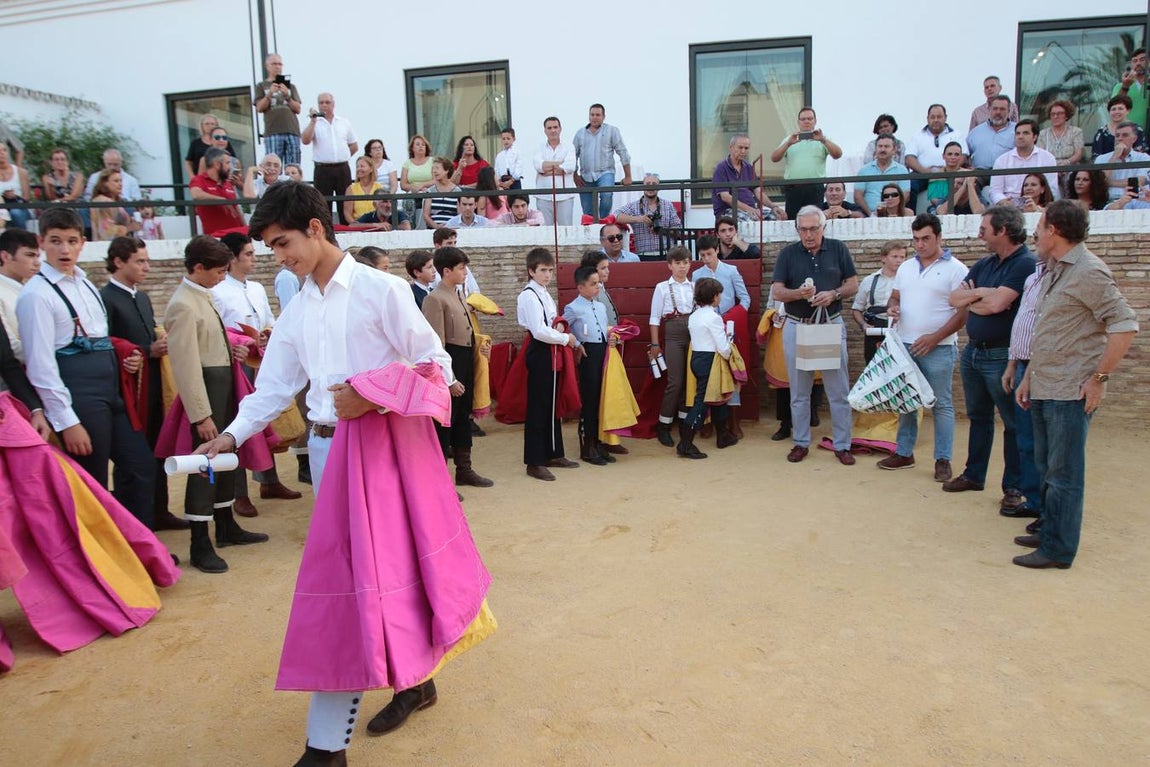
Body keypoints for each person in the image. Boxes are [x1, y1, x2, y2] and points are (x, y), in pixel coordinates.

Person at [193, 181, 490, 764]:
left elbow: (434, 365)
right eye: (272, 249)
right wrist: (228, 436)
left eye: (283, 245)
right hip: (329, 454)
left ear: (316, 228)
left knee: (355, 585)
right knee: (365, 580)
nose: (280, 258)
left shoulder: (382, 291)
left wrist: (371, 397)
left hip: (382, 455)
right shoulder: (299, 307)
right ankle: (415, 681)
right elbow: (275, 387)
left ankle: (327, 748)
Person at [1012, 200, 1138, 569]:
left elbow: (1125, 324)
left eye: (1039, 225)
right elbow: (1050, 331)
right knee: (1048, 467)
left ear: (1054, 231)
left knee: (1064, 474)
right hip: (1046, 385)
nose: (1034, 233)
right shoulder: (1054, 270)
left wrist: (1099, 378)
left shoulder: (1088, 271)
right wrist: (1030, 377)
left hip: (1071, 392)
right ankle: (1049, 530)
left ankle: (1058, 550)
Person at [15, 207, 156, 529]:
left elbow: (102, 339)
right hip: (79, 393)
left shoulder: (87, 284)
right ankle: (98, 562)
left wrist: (126, 357)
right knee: (89, 479)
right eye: (55, 241)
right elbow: (40, 365)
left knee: (140, 465)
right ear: (41, 243)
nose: (64, 249)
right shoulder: (35, 295)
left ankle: (138, 548)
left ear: (83, 243)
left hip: (110, 388)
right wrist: (67, 421)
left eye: (71, 241)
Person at [165, 236, 269, 572]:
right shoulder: (183, 304)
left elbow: (209, 346)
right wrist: (201, 415)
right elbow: (185, 365)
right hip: (207, 395)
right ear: (198, 267)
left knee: (226, 459)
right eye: (219, 271)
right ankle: (199, 541)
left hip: (221, 387)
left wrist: (233, 351)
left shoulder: (201, 296)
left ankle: (225, 525)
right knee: (202, 464)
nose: (223, 277)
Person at [944, 206, 1035, 514]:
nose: (979, 233)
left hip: (1002, 354)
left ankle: (1014, 487)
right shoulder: (985, 263)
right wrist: (982, 296)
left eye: (984, 228)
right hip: (974, 351)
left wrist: (978, 297)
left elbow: (997, 305)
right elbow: (954, 299)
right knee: (979, 417)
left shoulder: (1025, 263)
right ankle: (974, 474)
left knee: (1012, 422)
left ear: (1003, 231)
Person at [100, 237, 188, 532]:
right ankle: (135, 524)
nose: (146, 267)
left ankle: (158, 511)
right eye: (139, 261)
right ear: (118, 262)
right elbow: (107, 343)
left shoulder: (142, 297)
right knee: (133, 459)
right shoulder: (106, 298)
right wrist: (146, 349)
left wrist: (156, 345)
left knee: (156, 449)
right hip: (125, 389)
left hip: (151, 384)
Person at [214, 231, 301, 512]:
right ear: (232, 258)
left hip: (259, 357)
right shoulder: (217, 291)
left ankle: (268, 479)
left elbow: (270, 319)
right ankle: (238, 492)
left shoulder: (256, 288)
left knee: (265, 420)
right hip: (234, 362)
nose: (254, 259)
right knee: (238, 421)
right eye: (249, 254)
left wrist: (266, 334)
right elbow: (217, 332)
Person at [877, 214, 969, 480]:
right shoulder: (905, 267)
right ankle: (904, 452)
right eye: (916, 239)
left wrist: (934, 337)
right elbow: (895, 297)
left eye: (926, 238)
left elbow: (963, 315)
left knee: (941, 404)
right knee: (907, 400)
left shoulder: (956, 269)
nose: (920, 245)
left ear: (939, 237)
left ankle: (943, 458)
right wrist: (892, 307)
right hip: (905, 343)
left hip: (939, 347)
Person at [771, 205, 858, 465]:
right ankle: (800, 442)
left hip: (829, 323)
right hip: (797, 325)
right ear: (797, 229)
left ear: (824, 228)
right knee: (799, 391)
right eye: (803, 229)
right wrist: (800, 294)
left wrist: (834, 294)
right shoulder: (788, 254)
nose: (808, 234)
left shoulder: (838, 249)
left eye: (813, 229)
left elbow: (853, 284)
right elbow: (777, 292)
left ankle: (842, 444)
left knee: (838, 389)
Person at [421, 246, 493, 488]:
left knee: (463, 417)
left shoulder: (459, 294)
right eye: (462, 268)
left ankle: (465, 470)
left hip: (464, 361)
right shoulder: (434, 298)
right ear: (447, 270)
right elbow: (436, 345)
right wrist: (448, 379)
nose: (466, 272)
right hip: (449, 363)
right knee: (444, 421)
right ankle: (440, 481)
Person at [999, 237, 1049, 525]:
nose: (1033, 239)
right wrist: (1013, 363)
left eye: (1039, 233)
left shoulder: (1059, 275)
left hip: (1043, 369)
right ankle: (1034, 501)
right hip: (1023, 364)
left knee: (1041, 443)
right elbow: (1023, 325)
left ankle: (1044, 507)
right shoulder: (1034, 275)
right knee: (1027, 440)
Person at [518, 247, 578, 480]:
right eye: (543, 270)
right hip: (541, 349)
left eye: (550, 270)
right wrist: (566, 338)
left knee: (551, 404)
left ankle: (553, 452)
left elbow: (552, 320)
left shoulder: (543, 292)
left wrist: (561, 327)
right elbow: (539, 330)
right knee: (539, 405)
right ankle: (534, 461)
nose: (547, 275)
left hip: (551, 350)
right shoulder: (529, 295)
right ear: (531, 271)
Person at [692, 234, 752, 436]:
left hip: (730, 328)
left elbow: (744, 299)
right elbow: (696, 304)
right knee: (708, 378)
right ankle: (709, 422)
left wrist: (730, 317)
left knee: (730, 372)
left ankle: (734, 422)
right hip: (708, 332)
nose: (706, 259)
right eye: (702, 255)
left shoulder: (731, 271)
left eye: (709, 254)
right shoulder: (697, 274)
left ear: (717, 249)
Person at [562, 265, 616, 466]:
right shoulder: (572, 308)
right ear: (580, 287)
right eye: (593, 284)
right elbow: (562, 328)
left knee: (601, 397)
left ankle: (599, 442)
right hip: (587, 354)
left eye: (599, 283)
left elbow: (603, 329)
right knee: (590, 399)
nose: (598, 287)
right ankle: (587, 445)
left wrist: (612, 338)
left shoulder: (600, 306)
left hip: (602, 351)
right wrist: (576, 344)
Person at [678, 277, 736, 459]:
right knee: (702, 402)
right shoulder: (714, 318)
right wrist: (730, 348)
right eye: (719, 294)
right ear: (714, 297)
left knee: (716, 397)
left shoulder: (694, 316)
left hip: (696, 358)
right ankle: (685, 444)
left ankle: (723, 436)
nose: (720, 297)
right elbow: (723, 348)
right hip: (710, 360)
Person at [648, 246, 695, 447]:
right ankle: (663, 424)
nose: (682, 267)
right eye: (677, 263)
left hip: (693, 334)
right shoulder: (662, 287)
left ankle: (684, 422)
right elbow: (654, 318)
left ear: (690, 264)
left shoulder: (694, 286)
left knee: (688, 381)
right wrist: (656, 343)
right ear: (670, 266)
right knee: (675, 381)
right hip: (673, 334)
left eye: (685, 262)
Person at [770, 106, 843, 219]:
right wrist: (788, 143)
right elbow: (774, 158)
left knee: (815, 221)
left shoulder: (823, 139)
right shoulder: (790, 139)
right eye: (803, 119)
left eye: (810, 118)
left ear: (815, 121)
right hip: (793, 188)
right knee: (794, 222)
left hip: (815, 187)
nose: (806, 121)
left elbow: (838, 154)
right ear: (798, 122)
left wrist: (823, 140)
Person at [301, 92, 358, 224]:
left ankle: (347, 230)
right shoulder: (314, 123)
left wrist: (341, 156)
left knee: (345, 203)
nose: (324, 105)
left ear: (333, 104)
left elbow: (354, 145)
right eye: (321, 103)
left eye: (327, 102)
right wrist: (313, 121)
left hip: (342, 168)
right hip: (323, 169)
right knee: (323, 204)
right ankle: (326, 234)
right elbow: (305, 140)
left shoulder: (343, 122)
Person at [850, 240, 907, 363]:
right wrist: (863, 325)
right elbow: (857, 309)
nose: (899, 260)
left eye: (902, 257)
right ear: (884, 258)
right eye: (895, 256)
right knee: (873, 369)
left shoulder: (909, 281)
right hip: (874, 330)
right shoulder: (869, 281)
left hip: (900, 330)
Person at [573, 104, 631, 220]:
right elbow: (573, 155)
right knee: (588, 213)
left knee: (606, 195)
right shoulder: (580, 134)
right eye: (592, 114)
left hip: (605, 172)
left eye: (598, 115)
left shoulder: (612, 131)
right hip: (585, 175)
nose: (595, 117)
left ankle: (604, 221)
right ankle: (592, 231)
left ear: (603, 117)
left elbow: (623, 152)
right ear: (589, 116)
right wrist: (575, 175)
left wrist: (628, 176)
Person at [712, 134, 786, 222]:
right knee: (754, 220)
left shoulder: (749, 167)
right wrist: (749, 209)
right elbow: (725, 197)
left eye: (746, 148)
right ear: (731, 147)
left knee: (779, 217)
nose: (743, 151)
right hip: (728, 211)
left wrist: (773, 206)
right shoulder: (721, 167)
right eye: (740, 147)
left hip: (750, 210)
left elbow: (758, 192)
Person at [988, 120, 1058, 207]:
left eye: (1025, 133)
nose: (1020, 136)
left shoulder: (1048, 158)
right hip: (1008, 209)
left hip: (1038, 207)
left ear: (1035, 137)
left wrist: (1036, 206)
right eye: (1017, 133)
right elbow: (995, 191)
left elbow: (1052, 189)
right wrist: (1004, 202)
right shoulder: (1002, 160)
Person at [612, 172, 682, 257]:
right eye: (648, 184)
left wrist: (662, 231)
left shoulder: (668, 205)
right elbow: (615, 216)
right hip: (644, 255)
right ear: (643, 186)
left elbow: (678, 229)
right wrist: (639, 219)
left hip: (667, 254)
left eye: (654, 184)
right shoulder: (634, 206)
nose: (650, 187)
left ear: (659, 187)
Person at [905, 104, 964, 203]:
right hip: (922, 174)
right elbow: (909, 158)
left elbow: (964, 156)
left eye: (939, 117)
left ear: (945, 117)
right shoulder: (917, 136)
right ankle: (912, 217)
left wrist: (946, 171)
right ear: (927, 118)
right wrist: (925, 172)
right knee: (911, 186)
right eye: (932, 117)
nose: (936, 120)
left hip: (951, 173)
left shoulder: (956, 134)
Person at [254, 53, 303, 165]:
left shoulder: (291, 86)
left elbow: (298, 109)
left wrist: (287, 95)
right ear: (267, 66)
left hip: (292, 130)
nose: (277, 66)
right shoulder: (261, 86)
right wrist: (270, 93)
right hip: (273, 132)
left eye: (280, 64)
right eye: (274, 64)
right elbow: (259, 108)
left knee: (293, 166)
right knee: (273, 166)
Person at [0, 228, 39, 361]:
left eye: (37, 256)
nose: (36, 262)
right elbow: (9, 347)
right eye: (29, 255)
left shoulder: (35, 289)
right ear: (6, 256)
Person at [190, 148, 245, 236]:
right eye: (227, 163)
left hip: (238, 235)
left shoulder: (227, 182)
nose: (230, 167)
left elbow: (236, 209)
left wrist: (245, 227)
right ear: (216, 164)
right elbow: (196, 194)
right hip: (217, 238)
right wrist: (222, 200)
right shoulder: (199, 180)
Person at [533, 117, 577, 226]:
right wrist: (560, 164)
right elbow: (539, 166)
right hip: (544, 195)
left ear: (560, 129)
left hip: (564, 196)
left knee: (566, 231)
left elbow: (570, 166)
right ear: (545, 131)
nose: (553, 130)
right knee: (545, 232)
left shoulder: (569, 146)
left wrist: (547, 168)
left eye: (555, 127)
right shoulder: (538, 146)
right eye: (549, 128)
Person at [854, 134, 910, 216]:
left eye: (886, 146)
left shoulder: (902, 170)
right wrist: (871, 214)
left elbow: (906, 195)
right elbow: (857, 196)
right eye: (880, 146)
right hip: (868, 214)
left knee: (910, 213)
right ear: (875, 149)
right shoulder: (864, 170)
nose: (882, 149)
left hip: (895, 214)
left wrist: (893, 211)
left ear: (894, 150)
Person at [1095, 121, 1150, 201]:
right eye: (1117, 136)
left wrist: (1109, 183)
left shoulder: (1143, 158)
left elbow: (1138, 181)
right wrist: (1114, 157)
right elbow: (1100, 181)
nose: (1120, 138)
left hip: (1134, 200)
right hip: (1108, 201)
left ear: (1134, 139)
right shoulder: (1101, 158)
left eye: (1125, 135)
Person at [928, 141, 984, 216]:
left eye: (956, 154)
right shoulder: (936, 175)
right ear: (943, 156)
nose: (953, 157)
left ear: (961, 157)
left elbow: (975, 194)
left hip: (966, 204)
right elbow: (934, 199)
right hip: (942, 206)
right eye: (950, 154)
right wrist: (954, 200)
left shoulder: (969, 173)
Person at [89, 168, 142, 242]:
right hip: (107, 245)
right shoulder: (102, 202)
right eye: (116, 181)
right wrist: (129, 228)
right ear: (105, 183)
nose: (120, 184)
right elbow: (105, 231)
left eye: (121, 181)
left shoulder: (116, 201)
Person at [966, 96, 1017, 171]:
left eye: (1002, 109)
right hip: (980, 176)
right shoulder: (975, 132)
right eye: (995, 108)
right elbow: (965, 156)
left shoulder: (1017, 131)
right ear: (989, 110)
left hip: (1007, 175)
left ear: (1009, 111)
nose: (998, 112)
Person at [1090, 94, 1148, 158]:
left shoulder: (1137, 130)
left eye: (1120, 109)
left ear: (1128, 110)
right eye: (1113, 109)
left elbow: (1141, 153)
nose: (1116, 112)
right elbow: (1095, 157)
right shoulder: (1101, 133)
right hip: (1107, 166)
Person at [185, 115, 236, 180]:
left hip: (223, 178)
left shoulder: (223, 141)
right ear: (202, 126)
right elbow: (188, 161)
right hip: (202, 178)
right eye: (207, 124)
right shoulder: (196, 143)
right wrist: (192, 177)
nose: (210, 126)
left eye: (212, 124)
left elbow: (233, 160)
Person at [400, 134, 436, 227]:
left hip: (429, 192)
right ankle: (410, 227)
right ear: (412, 148)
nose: (421, 146)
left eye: (423, 144)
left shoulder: (432, 161)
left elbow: (436, 180)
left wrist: (423, 186)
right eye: (418, 144)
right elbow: (403, 184)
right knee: (408, 202)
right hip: (413, 194)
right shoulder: (407, 163)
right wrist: (412, 187)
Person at [1037, 100, 1084, 166]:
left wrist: (1066, 163)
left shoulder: (1076, 131)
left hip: (1070, 168)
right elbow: (1041, 155)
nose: (1055, 116)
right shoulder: (1043, 134)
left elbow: (1078, 154)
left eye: (1059, 113)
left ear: (1066, 115)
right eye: (1053, 114)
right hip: (1049, 168)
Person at [1111, 47, 1148, 129]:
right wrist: (1125, 86)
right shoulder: (1120, 86)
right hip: (1128, 136)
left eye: (1142, 60)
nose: (1138, 63)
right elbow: (1114, 107)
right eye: (1135, 61)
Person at [422, 157, 462, 229]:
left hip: (453, 229)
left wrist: (451, 226)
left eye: (437, 168)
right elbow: (426, 215)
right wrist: (436, 226)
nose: (434, 171)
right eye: (433, 168)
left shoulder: (457, 191)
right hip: (434, 230)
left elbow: (460, 215)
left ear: (446, 170)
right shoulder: (430, 191)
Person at [0, 144, 31, 230]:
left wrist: (14, 196)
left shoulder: (21, 172)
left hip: (20, 207)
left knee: (15, 213)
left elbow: (27, 198)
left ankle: (23, 239)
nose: (1, 153)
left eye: (4, 150)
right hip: (1, 209)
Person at [343, 157, 382, 224]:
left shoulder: (379, 187)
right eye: (357, 166)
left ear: (371, 169)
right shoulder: (351, 189)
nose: (359, 169)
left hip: (377, 225)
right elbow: (347, 213)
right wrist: (356, 225)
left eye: (362, 166)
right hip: (358, 226)